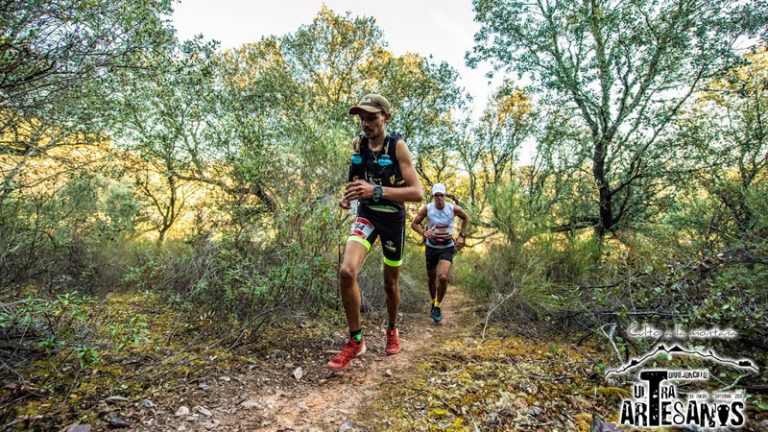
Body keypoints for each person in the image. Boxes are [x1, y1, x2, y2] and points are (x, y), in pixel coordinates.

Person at [327, 94, 424, 369]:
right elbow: (355, 180)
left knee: (390, 284)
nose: (365, 123)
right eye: (362, 118)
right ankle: (356, 341)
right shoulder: (359, 144)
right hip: (367, 215)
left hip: (393, 220)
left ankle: (392, 329)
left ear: (386, 118)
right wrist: (348, 196)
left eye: (371, 117)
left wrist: (377, 190)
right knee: (347, 271)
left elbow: (417, 192)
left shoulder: (398, 147)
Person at [410, 183, 469, 323]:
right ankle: (433, 300)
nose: (439, 198)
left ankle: (437, 306)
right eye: (436, 195)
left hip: (447, 246)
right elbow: (414, 224)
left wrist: (461, 235)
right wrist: (424, 232)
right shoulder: (428, 209)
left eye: (441, 195)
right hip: (431, 246)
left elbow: (466, 218)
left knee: (442, 277)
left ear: (445, 195)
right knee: (431, 278)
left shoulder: (453, 208)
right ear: (433, 196)